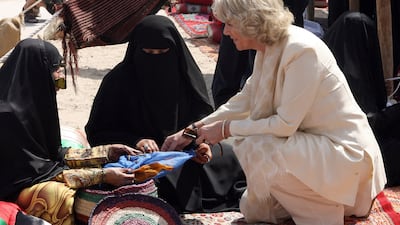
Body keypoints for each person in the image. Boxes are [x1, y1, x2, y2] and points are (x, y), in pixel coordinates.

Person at [161, 0, 387, 224]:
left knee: (257, 144)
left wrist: (225, 129)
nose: (226, 32)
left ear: (249, 22)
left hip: (347, 164)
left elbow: (284, 125)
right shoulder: (269, 46)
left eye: (229, 24)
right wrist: (192, 130)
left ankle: (322, 215)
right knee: (254, 183)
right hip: (319, 153)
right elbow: (245, 100)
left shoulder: (301, 50)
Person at [85, 15, 246, 213]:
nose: (156, 59)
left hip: (184, 153)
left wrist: (201, 144)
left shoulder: (186, 77)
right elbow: (98, 132)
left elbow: (202, 120)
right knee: (144, 175)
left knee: (229, 155)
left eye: (163, 52)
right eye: (148, 52)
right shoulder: (117, 81)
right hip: (140, 158)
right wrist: (137, 141)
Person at [0, 38, 143, 225]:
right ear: (37, 74)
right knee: (57, 196)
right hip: (8, 188)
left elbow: (53, 155)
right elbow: (33, 174)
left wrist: (106, 153)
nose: (58, 85)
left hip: (28, 177)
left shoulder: (33, 106)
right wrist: (101, 175)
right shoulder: (7, 117)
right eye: (56, 77)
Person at [211, 0, 309, 108]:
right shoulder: (262, 51)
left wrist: (227, 125)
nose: (225, 31)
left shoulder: (297, 53)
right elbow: (246, 97)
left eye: (229, 24)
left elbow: (285, 121)